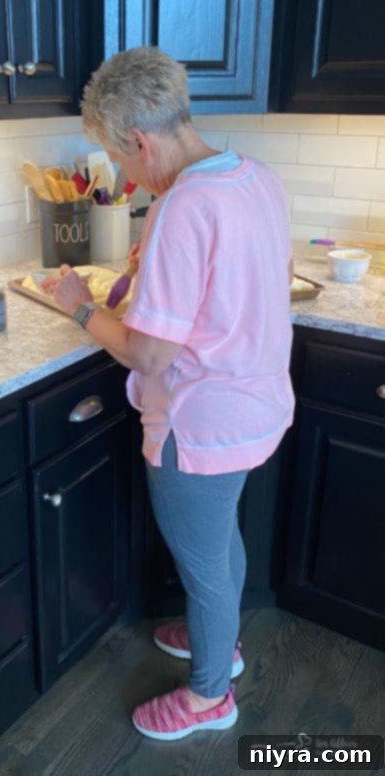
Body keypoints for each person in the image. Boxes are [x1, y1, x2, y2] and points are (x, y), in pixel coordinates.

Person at [42, 46, 295, 742]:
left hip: (199, 420)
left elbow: (149, 352)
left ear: (140, 141)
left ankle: (213, 694)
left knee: (204, 562)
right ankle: (224, 640)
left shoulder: (183, 207)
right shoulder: (255, 178)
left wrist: (78, 305)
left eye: (121, 161)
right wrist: (145, 275)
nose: (126, 177)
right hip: (257, 406)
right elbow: (245, 284)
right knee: (218, 545)